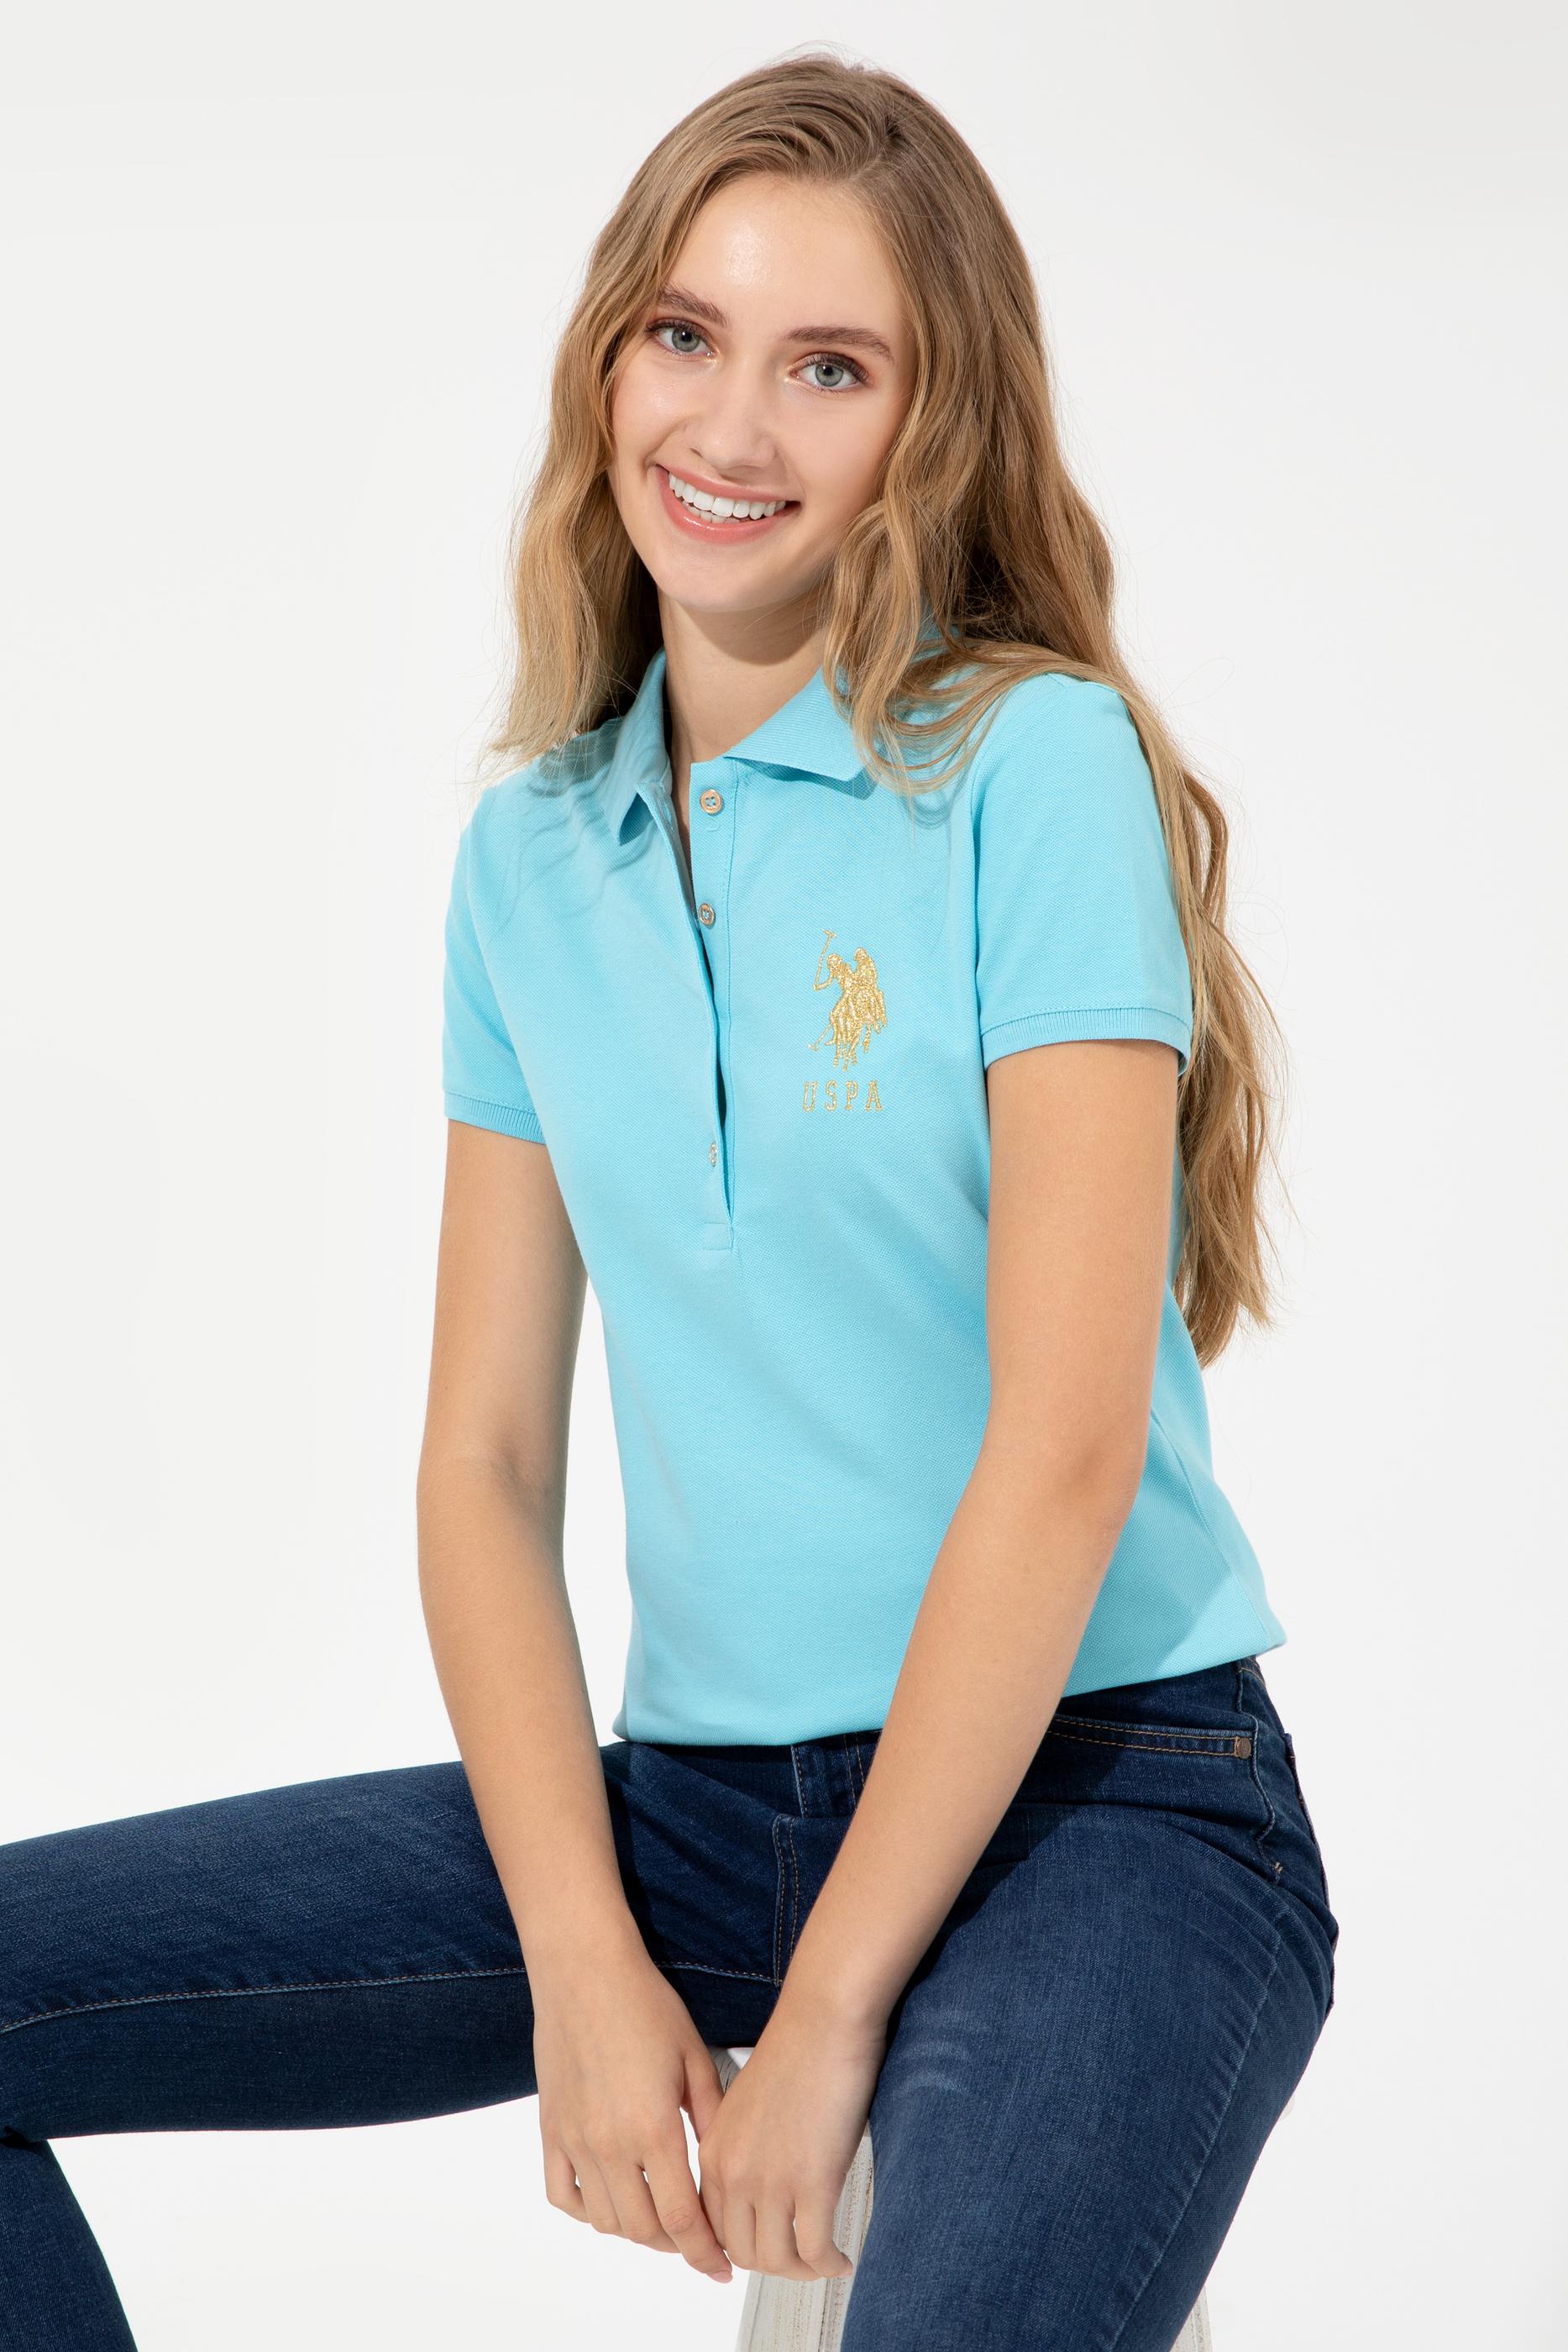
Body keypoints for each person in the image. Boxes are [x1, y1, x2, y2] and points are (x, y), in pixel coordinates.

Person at [0, 53, 1339, 2351]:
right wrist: (580, 1961)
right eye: (686, 334)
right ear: (608, 360)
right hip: (703, 1813)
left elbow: (1064, 1447)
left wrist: (825, 2019)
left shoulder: (1028, 766)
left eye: (830, 367)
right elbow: (484, 1463)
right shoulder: (531, 857)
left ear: (931, 429)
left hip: (1107, 1798)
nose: (730, 424)